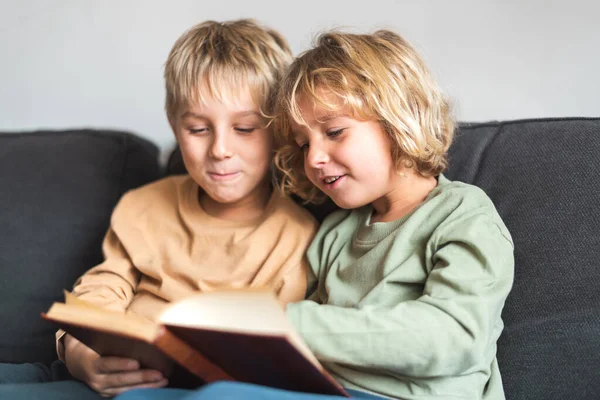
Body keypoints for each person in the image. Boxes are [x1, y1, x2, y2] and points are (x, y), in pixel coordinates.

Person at [117, 28, 514, 400]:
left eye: (335, 132)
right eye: (303, 144)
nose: (315, 158)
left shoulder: (463, 214)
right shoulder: (337, 231)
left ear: (400, 118)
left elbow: (455, 335)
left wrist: (287, 323)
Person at [0, 19, 317, 399]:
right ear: (175, 125)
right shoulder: (145, 206)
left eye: (245, 128)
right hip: (114, 377)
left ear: (280, 129)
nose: (219, 150)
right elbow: (103, 287)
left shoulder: (296, 233)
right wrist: (80, 353)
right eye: (198, 129)